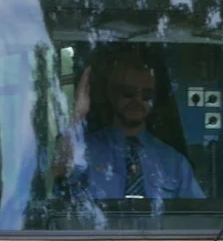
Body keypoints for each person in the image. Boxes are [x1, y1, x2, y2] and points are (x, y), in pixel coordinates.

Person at [55, 50, 203, 203]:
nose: (137, 100)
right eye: (128, 93)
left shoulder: (174, 161)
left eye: (147, 95)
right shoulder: (84, 150)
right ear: (111, 94)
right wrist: (78, 114)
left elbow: (197, 216)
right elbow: (59, 169)